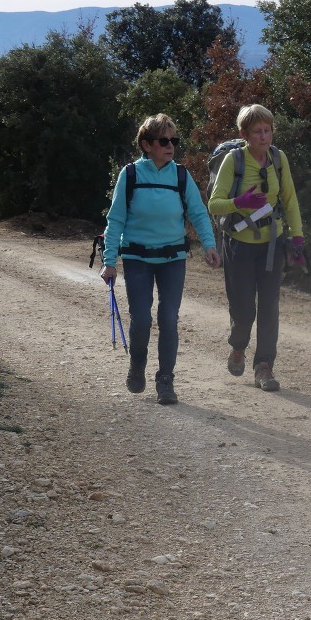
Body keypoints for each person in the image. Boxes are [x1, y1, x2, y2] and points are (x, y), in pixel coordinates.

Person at [100, 114, 221, 405]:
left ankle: (165, 380)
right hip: (137, 257)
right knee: (141, 318)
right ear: (147, 145)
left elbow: (198, 212)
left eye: (174, 140)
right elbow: (115, 219)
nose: (171, 146)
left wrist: (209, 244)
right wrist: (109, 260)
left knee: (169, 318)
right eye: (164, 141)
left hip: (172, 258)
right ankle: (137, 366)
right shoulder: (130, 175)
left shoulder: (181, 175)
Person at [208, 104, 305, 392]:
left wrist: (297, 236)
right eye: (257, 132)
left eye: (268, 130)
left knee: (269, 308)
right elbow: (214, 204)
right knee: (243, 310)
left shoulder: (278, 158)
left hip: (271, 245)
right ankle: (238, 346)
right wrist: (240, 203)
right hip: (238, 245)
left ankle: (264, 366)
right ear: (245, 134)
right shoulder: (233, 161)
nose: (264, 137)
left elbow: (289, 198)